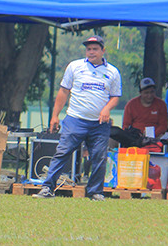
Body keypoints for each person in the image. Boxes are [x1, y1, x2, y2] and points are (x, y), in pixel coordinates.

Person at [34, 35, 121, 201]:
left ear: (103, 51)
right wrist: (55, 116)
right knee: (62, 152)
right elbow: (63, 91)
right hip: (75, 119)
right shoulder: (75, 67)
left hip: (99, 123)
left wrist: (107, 108)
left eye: (95, 49)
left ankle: (95, 192)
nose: (91, 52)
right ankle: (47, 188)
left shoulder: (112, 72)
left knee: (99, 157)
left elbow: (115, 96)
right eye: (89, 49)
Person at [116, 77, 168, 150]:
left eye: (152, 92)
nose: (149, 96)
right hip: (135, 138)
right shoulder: (131, 104)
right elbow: (126, 125)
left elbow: (163, 125)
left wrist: (153, 135)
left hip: (156, 137)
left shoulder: (161, 104)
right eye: (146, 93)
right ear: (140, 92)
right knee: (113, 139)